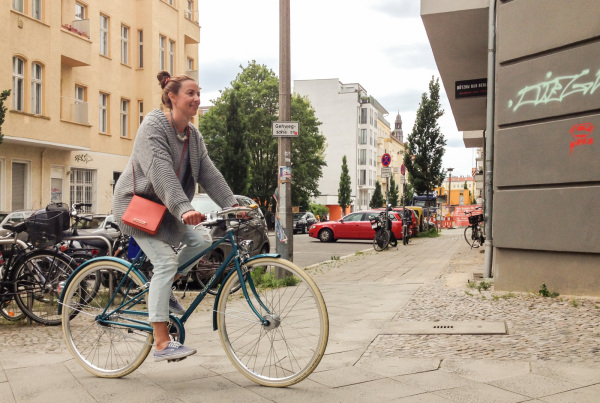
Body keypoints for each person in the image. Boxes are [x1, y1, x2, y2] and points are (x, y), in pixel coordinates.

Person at [112, 71, 239, 363]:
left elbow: (208, 172)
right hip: (138, 207)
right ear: (172, 97)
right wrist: (184, 207)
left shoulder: (193, 135)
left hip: (167, 210)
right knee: (166, 261)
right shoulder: (153, 126)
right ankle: (160, 341)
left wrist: (233, 204)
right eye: (190, 93)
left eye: (199, 93)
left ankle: (164, 285)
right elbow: (161, 172)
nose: (197, 99)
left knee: (203, 240)